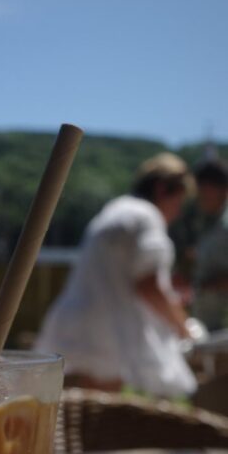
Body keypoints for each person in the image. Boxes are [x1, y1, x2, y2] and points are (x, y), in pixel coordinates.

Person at [35, 153, 196, 397]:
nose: (177, 213)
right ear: (163, 189)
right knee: (98, 421)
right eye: (178, 202)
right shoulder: (146, 216)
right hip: (104, 334)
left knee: (66, 414)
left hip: (72, 322)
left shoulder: (115, 209)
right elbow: (147, 285)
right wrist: (181, 325)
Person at [193, 157, 228, 331]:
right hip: (211, 327)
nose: (199, 197)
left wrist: (207, 285)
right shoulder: (210, 222)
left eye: (203, 191)